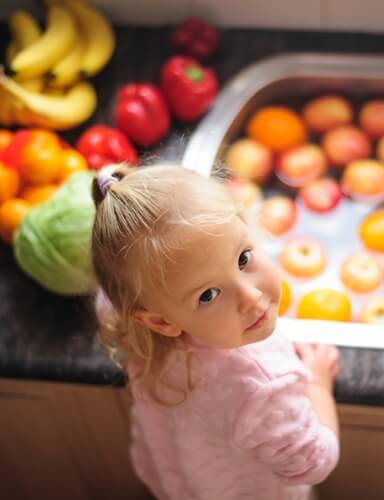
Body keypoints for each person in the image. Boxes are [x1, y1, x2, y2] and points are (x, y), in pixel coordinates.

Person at [91, 163, 341, 500]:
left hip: (177, 482)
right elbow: (314, 462)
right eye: (207, 295)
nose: (251, 297)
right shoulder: (262, 384)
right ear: (160, 322)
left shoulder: (127, 313)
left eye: (243, 258)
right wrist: (319, 384)